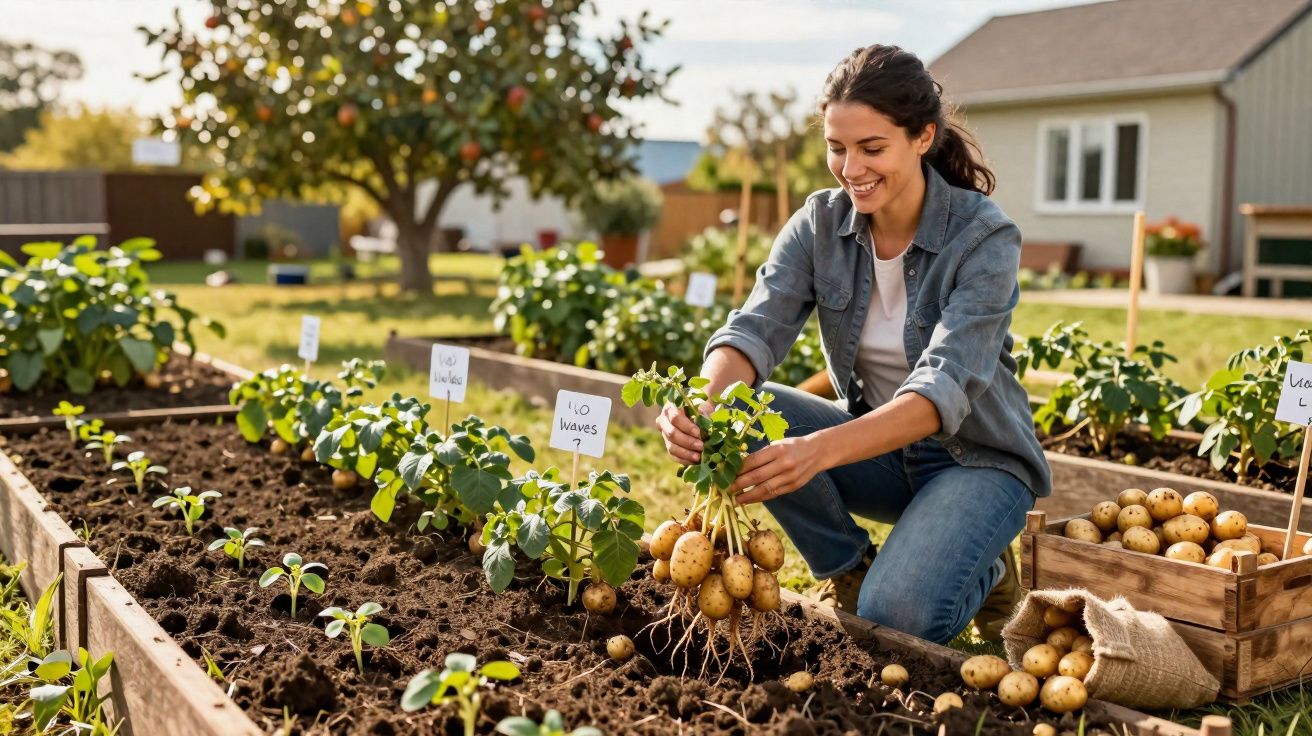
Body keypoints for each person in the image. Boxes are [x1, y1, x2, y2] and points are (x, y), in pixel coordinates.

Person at [656, 45, 1051, 645]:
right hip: (883, 455)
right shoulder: (820, 224)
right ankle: (847, 567)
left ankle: (988, 565)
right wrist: (700, 404)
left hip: (978, 462)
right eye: (837, 148)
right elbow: (754, 327)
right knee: (735, 411)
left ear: (922, 137)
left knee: (897, 618)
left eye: (872, 149)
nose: (850, 168)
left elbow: (941, 389)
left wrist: (815, 451)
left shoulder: (983, 237)